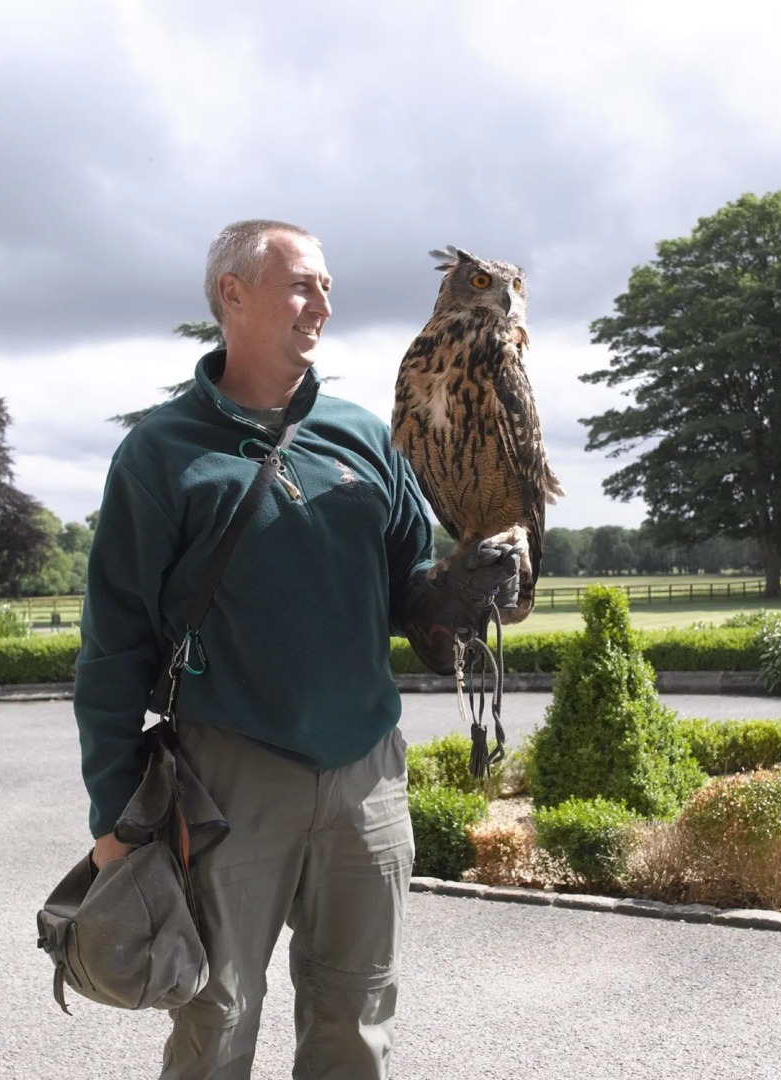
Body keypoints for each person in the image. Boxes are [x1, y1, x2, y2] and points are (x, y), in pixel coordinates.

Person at [74, 218, 519, 1079]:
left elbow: (412, 595)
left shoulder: (365, 436)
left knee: (357, 1015)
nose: (321, 301)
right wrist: (115, 816)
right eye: (299, 284)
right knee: (216, 1020)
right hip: (228, 778)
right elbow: (111, 651)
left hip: (367, 779)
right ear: (231, 296)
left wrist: (463, 593)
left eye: (325, 285)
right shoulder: (160, 454)